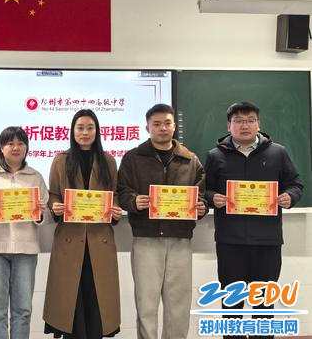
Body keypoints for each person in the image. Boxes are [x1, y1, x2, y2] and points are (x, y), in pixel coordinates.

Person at [204, 101, 303, 339]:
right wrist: (212, 197)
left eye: (250, 120)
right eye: (238, 121)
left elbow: (295, 184)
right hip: (230, 242)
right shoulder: (215, 155)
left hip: (267, 242)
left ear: (259, 123)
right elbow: (203, 190)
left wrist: (289, 196)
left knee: (264, 306)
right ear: (228, 125)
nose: (244, 125)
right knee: (231, 307)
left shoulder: (278, 153)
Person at [117, 103, 207, 339]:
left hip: (180, 240)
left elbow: (201, 195)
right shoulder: (133, 158)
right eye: (156, 124)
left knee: (178, 303)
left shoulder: (190, 160)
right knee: (146, 303)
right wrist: (134, 201)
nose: (163, 128)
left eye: (167, 123)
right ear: (147, 128)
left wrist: (201, 207)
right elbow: (122, 191)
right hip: (146, 239)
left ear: (174, 126)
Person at [43, 109, 123, 339]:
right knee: (70, 300)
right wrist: (55, 206)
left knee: (98, 297)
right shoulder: (61, 160)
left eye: (90, 128)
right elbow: (53, 194)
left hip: (99, 239)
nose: (85, 132)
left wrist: (115, 210)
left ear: (97, 131)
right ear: (73, 130)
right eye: (80, 128)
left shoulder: (108, 161)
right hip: (70, 240)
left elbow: (114, 194)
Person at [0, 126, 50, 339]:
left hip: (26, 250)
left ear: (27, 148)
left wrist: (40, 214)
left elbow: (46, 215)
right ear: (1, 148)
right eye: (10, 143)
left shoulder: (35, 177)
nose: (15, 148)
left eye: (20, 143)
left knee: (23, 311)